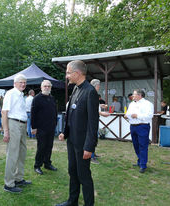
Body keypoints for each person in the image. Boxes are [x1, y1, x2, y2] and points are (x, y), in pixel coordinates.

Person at [57, 60, 99, 206]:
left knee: (84, 175)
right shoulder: (75, 89)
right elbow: (70, 114)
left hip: (83, 144)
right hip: (72, 141)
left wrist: (89, 147)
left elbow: (93, 123)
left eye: (68, 72)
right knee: (72, 172)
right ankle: (72, 201)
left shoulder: (90, 92)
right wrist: (65, 132)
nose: (67, 76)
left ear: (77, 73)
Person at [2, 74, 32, 193]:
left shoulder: (21, 95)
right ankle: (8, 184)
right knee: (13, 154)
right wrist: (6, 131)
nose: (23, 84)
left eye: (24, 82)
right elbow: (4, 112)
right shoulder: (11, 93)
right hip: (13, 124)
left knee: (22, 153)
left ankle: (18, 178)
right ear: (15, 83)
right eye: (20, 82)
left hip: (22, 124)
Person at [31, 80, 58, 175]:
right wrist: (33, 127)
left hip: (51, 127)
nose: (47, 88)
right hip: (41, 128)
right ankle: (37, 165)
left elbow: (55, 111)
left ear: (50, 88)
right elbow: (33, 114)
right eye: (45, 86)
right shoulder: (37, 99)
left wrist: (55, 123)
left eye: (48, 86)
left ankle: (47, 163)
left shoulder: (52, 98)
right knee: (41, 147)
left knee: (49, 146)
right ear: (41, 87)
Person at [124, 89, 154, 173]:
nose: (132, 96)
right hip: (133, 126)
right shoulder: (132, 104)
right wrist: (126, 115)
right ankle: (140, 161)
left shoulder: (148, 104)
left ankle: (143, 165)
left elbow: (149, 116)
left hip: (142, 126)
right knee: (136, 145)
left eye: (134, 94)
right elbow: (129, 113)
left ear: (139, 95)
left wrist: (137, 116)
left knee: (143, 145)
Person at [90, 79, 110, 164]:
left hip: (94, 119)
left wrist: (99, 105)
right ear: (96, 86)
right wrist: (101, 113)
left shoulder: (93, 94)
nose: (99, 87)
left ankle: (93, 153)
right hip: (91, 120)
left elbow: (94, 105)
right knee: (91, 138)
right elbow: (90, 108)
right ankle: (91, 156)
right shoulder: (91, 93)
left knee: (94, 138)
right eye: (99, 86)